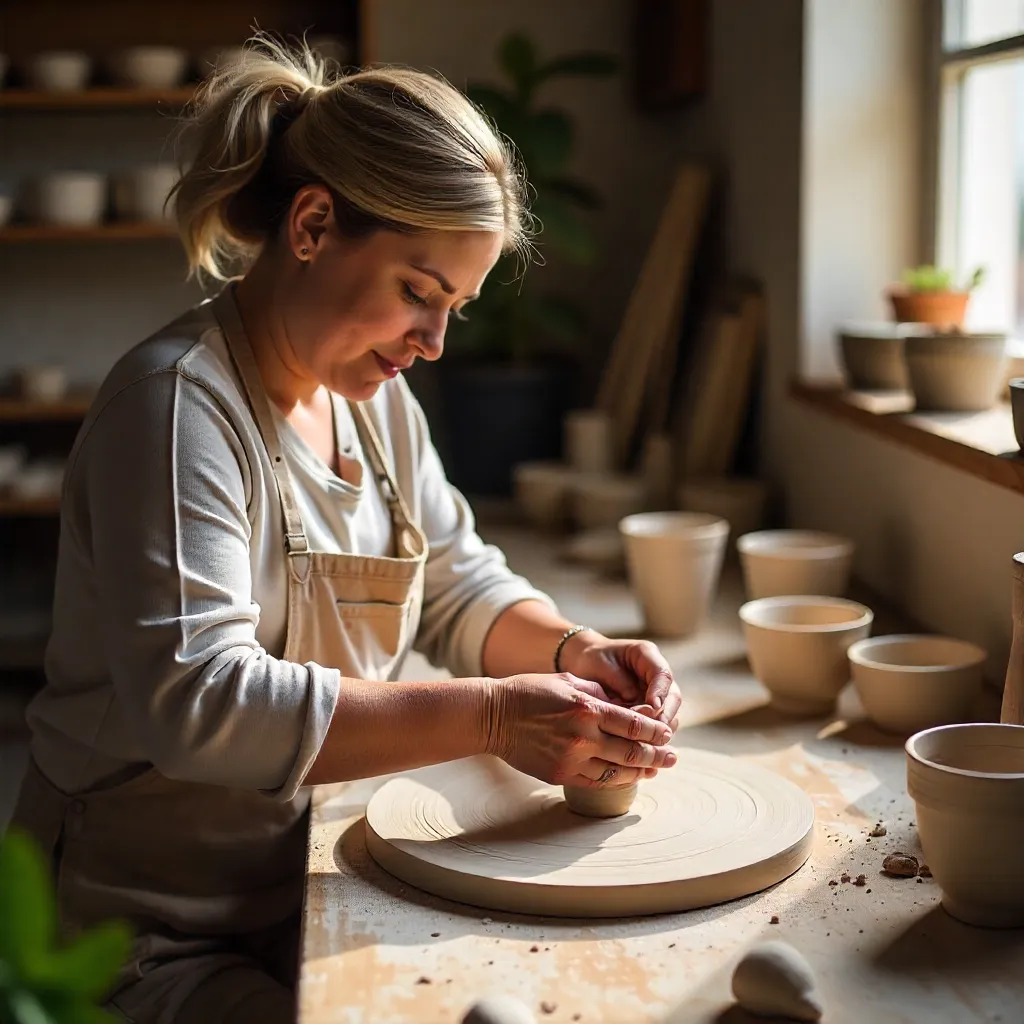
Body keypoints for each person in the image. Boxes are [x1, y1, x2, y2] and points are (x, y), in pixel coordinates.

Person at [11, 38, 682, 1024]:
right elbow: (197, 700)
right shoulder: (177, 411)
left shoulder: (370, 399)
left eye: (453, 305)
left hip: (295, 878)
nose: (434, 340)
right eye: (419, 290)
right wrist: (496, 715)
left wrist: (577, 651)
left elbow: (455, 582)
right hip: (136, 933)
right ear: (314, 223)